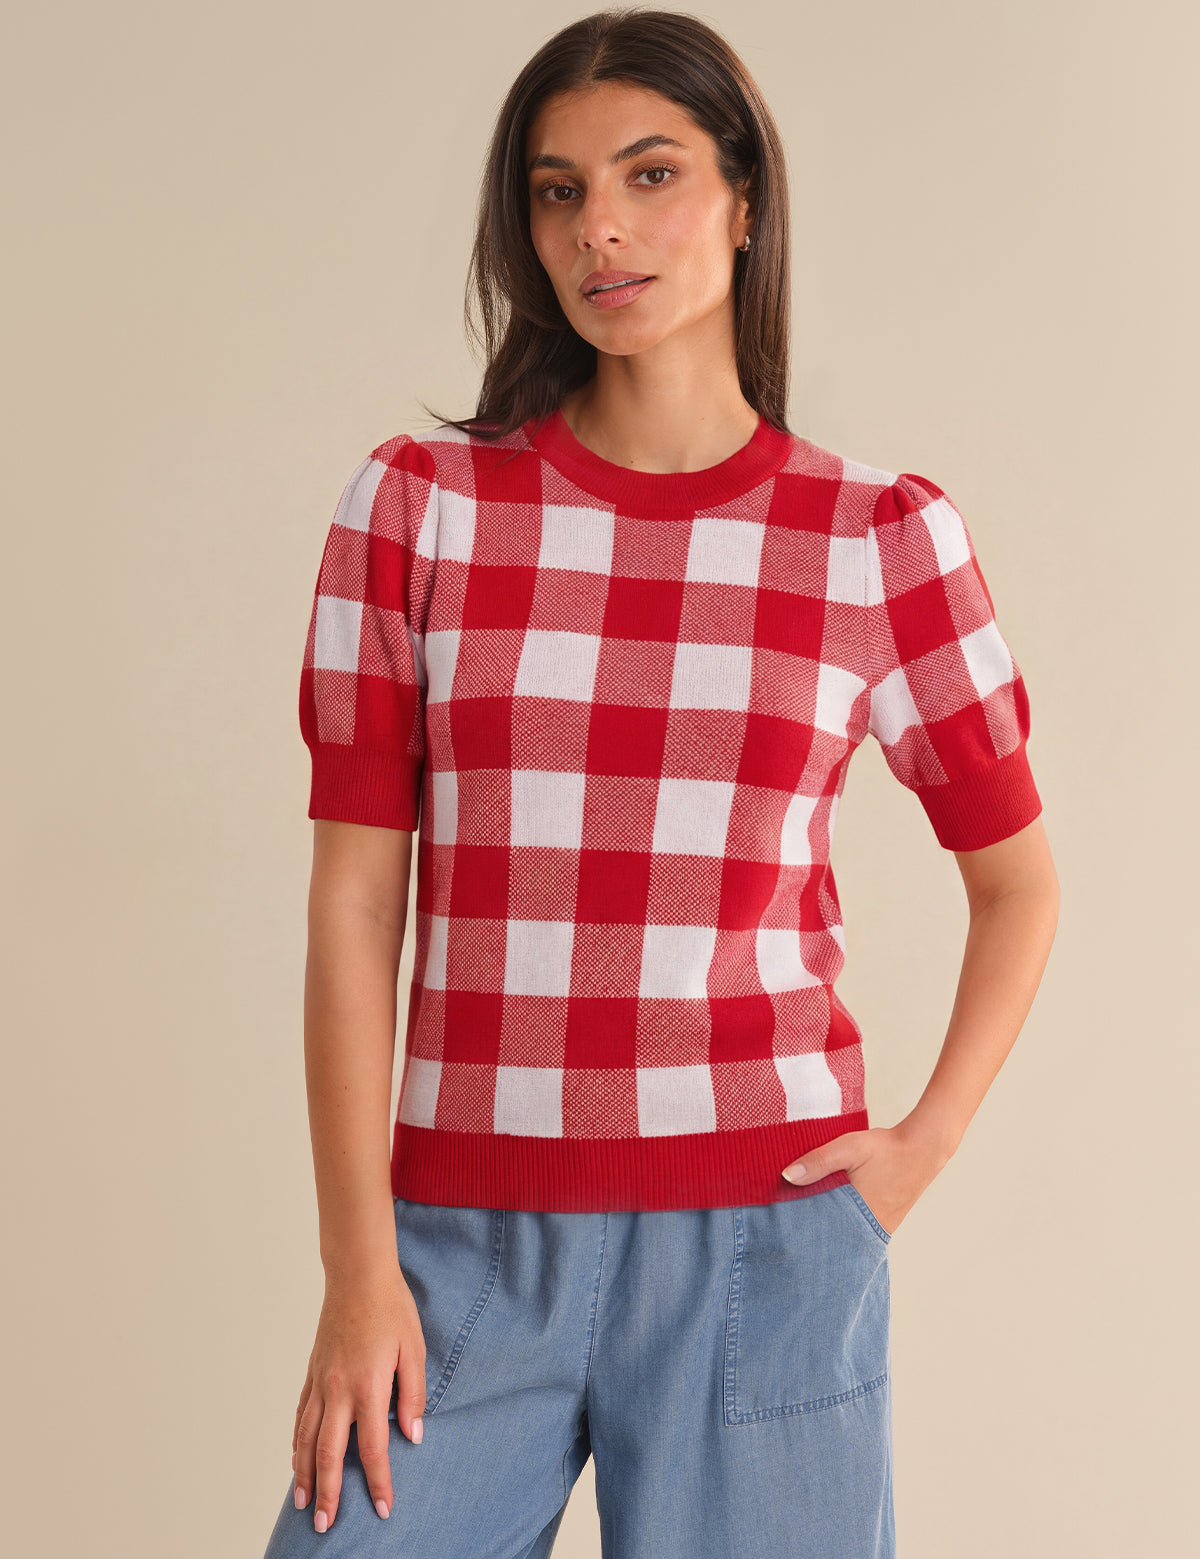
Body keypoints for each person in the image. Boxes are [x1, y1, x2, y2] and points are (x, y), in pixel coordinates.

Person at [262, 8, 1060, 1556]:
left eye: (650, 174)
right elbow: (357, 905)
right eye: (558, 192)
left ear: (747, 201)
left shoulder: (875, 541)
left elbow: (1018, 879)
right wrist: (362, 1267)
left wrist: (917, 1150)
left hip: (767, 1242)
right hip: (460, 1255)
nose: (601, 228)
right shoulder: (421, 515)